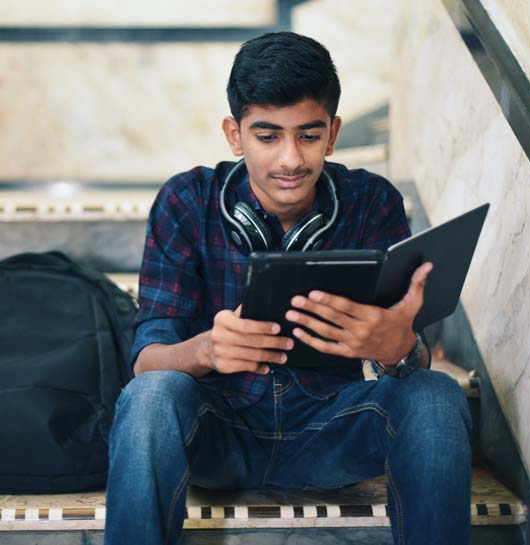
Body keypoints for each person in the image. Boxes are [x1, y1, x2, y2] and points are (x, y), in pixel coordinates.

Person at [105, 31, 472, 545]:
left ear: (333, 132)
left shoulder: (371, 202)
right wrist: (206, 349)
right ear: (235, 135)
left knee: (435, 395)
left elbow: (410, 359)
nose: (290, 160)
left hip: (331, 432)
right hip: (218, 434)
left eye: (308, 134)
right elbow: (145, 365)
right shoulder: (186, 201)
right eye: (267, 135)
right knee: (151, 397)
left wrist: (398, 351)